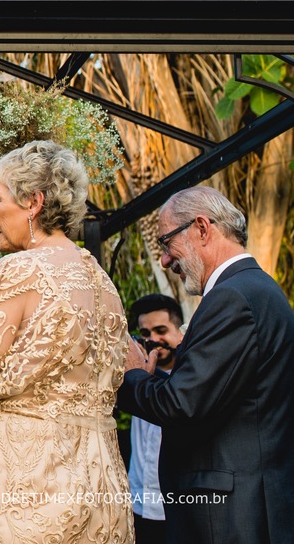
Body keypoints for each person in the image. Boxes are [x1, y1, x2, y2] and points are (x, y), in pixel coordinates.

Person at [0, 139, 132, 544]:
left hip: (30, 484)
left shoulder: (17, 270)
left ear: (33, 203)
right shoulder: (102, 281)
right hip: (103, 482)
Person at [117, 186, 294, 544]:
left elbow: (182, 404)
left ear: (201, 227)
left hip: (231, 516)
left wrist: (132, 375)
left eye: (166, 243)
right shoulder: (255, 289)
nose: (165, 260)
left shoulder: (232, 297)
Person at [125, 293, 184, 544]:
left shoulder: (190, 378)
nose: (154, 340)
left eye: (161, 330)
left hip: (176, 508)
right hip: (136, 503)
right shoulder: (134, 374)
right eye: (146, 333)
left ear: (179, 333)